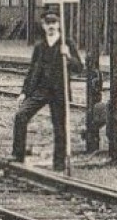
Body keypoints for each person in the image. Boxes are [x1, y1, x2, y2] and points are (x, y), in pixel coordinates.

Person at [12, 10, 82, 170]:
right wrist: (24, 92)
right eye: (48, 23)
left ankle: (59, 163)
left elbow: (79, 67)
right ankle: (17, 155)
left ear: (59, 25)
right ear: (44, 26)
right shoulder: (40, 46)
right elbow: (32, 70)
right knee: (21, 115)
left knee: (59, 127)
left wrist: (69, 57)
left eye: (54, 23)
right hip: (40, 89)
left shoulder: (67, 43)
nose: (51, 26)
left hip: (59, 90)